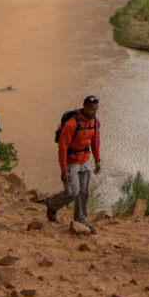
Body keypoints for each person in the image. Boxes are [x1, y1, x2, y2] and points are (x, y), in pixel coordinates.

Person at [46, 94, 102, 230]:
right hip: (72, 161)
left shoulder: (95, 122)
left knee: (84, 191)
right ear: (85, 107)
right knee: (72, 192)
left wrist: (98, 160)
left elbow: (95, 142)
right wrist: (63, 169)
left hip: (85, 159)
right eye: (92, 109)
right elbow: (63, 147)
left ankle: (81, 218)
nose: (94, 112)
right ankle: (52, 204)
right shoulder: (72, 124)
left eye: (96, 109)